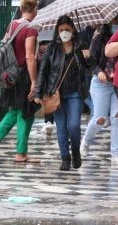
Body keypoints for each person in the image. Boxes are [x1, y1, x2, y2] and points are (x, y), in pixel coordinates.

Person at [0, 0, 40, 163]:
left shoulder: (13, 25)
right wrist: (34, 81)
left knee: (15, 110)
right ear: (35, 9)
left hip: (11, 74)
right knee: (26, 112)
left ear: (21, 8)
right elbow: (29, 56)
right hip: (24, 74)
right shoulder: (31, 28)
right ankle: (21, 152)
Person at [35, 15, 89, 171]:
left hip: (75, 93)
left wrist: (87, 56)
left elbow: (88, 67)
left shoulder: (80, 46)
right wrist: (38, 93)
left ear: (73, 29)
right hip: (56, 93)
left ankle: (76, 152)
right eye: (61, 30)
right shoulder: (52, 49)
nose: (64, 32)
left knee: (74, 126)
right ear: (57, 32)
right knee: (61, 127)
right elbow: (43, 71)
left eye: (67, 29)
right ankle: (65, 158)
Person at [81, 15, 118, 165]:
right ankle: (86, 140)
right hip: (101, 83)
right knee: (100, 119)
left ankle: (116, 154)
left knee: (117, 117)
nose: (117, 24)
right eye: (114, 21)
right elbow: (92, 59)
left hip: (117, 83)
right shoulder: (99, 36)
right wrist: (99, 71)